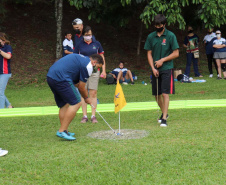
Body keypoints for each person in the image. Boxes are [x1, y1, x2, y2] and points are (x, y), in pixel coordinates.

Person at [47, 54, 103, 140]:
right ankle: (62, 131)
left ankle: (64, 130)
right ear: (94, 62)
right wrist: (86, 98)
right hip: (61, 78)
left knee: (64, 104)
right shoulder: (88, 66)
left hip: (51, 76)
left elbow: (77, 84)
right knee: (77, 103)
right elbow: (81, 87)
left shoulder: (83, 60)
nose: (97, 70)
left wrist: (84, 93)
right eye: (98, 67)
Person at [144, 14, 179, 127]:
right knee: (156, 94)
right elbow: (149, 53)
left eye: (160, 25)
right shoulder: (151, 37)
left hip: (167, 68)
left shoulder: (170, 36)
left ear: (164, 24)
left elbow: (176, 53)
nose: (158, 27)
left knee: (165, 93)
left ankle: (164, 118)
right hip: (155, 69)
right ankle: (165, 112)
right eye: (156, 25)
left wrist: (162, 60)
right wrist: (153, 68)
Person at [74, 25, 106, 123]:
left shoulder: (97, 44)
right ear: (83, 35)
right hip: (82, 71)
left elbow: (102, 57)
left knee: (93, 93)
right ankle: (84, 116)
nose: (88, 36)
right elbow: (75, 57)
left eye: (90, 34)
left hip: (95, 71)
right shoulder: (79, 44)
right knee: (83, 92)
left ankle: (93, 116)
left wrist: (104, 70)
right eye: (87, 35)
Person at [0, 32, 14, 109]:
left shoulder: (7, 47)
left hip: (5, 73)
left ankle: (1, 110)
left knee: (0, 92)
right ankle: (9, 105)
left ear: (3, 41)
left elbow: (8, 56)